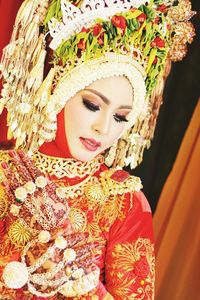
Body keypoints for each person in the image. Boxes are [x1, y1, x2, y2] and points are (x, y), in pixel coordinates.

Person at [0, 0, 195, 299]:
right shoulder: (5, 173)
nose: (104, 128)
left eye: (120, 117)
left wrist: (76, 271)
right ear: (58, 91)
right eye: (92, 105)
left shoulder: (124, 204)